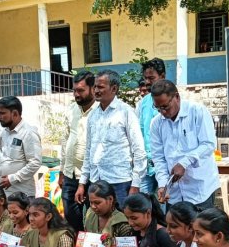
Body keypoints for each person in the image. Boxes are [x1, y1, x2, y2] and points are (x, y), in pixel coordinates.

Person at [75, 69, 146, 208]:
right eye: (95, 86)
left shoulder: (126, 112)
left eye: (100, 87)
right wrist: (82, 183)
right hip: (96, 181)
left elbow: (138, 150)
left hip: (120, 182)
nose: (96, 90)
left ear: (114, 89)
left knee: (123, 225)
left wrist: (136, 184)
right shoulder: (93, 115)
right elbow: (89, 150)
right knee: (97, 226)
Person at [150, 80, 220, 209]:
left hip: (199, 188)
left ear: (177, 97)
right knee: (176, 228)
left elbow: (208, 144)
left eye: (165, 106)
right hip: (174, 193)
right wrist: (162, 184)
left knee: (202, 227)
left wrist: (184, 162)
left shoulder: (197, 112)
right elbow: (158, 158)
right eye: (158, 108)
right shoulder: (156, 123)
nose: (162, 112)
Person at [59, 71, 98, 232]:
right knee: (70, 214)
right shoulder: (71, 109)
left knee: (93, 216)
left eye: (81, 90)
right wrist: (62, 171)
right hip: (70, 174)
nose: (76, 94)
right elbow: (64, 140)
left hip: (92, 175)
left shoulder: (99, 111)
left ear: (93, 88)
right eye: (74, 90)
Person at [0, 96, 42, 198]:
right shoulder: (5, 132)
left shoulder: (28, 133)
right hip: (5, 193)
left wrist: (12, 178)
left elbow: (35, 163)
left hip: (22, 195)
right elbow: (5, 158)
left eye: (2, 113)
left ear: (15, 114)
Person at [137, 58, 166, 198]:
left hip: (166, 167)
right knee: (143, 207)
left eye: (151, 78)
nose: (148, 82)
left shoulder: (174, 101)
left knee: (164, 209)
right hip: (146, 166)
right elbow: (140, 133)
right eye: (145, 78)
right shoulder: (143, 103)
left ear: (162, 76)